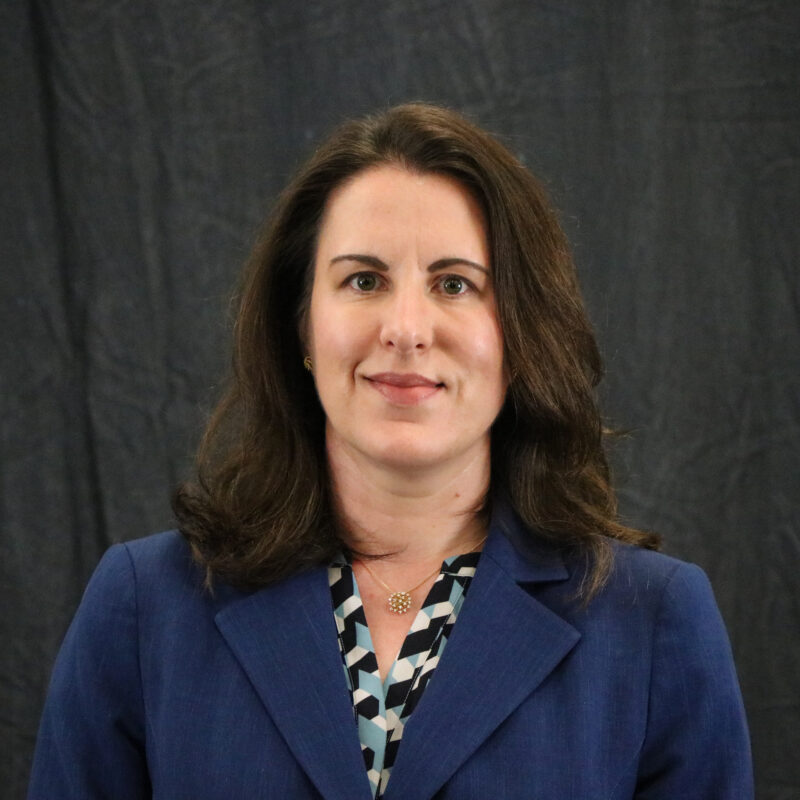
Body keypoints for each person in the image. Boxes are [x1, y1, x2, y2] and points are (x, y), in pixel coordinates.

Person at [28, 103, 753, 799]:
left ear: (522, 334)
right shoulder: (145, 607)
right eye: (364, 280)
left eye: (455, 284)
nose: (406, 328)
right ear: (302, 326)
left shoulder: (653, 620)